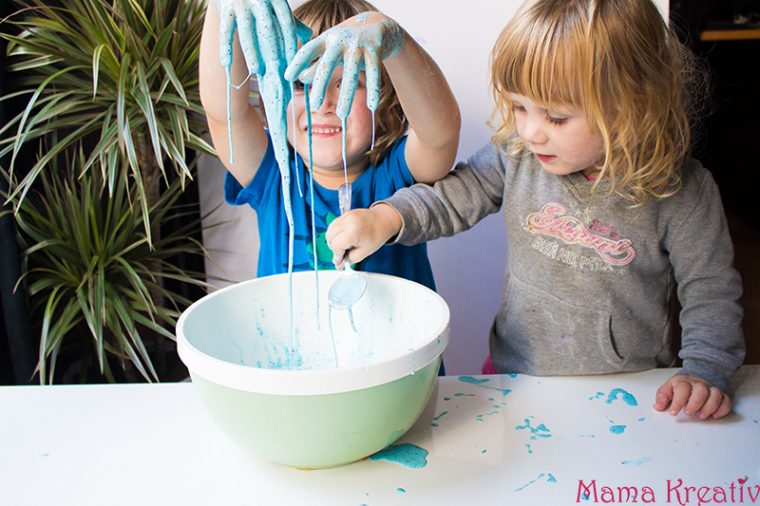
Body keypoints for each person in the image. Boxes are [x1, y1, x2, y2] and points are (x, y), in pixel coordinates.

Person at [325, 0, 746, 419]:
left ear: (630, 107)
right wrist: (386, 217)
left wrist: (705, 371)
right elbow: (453, 196)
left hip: (630, 392)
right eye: (519, 107)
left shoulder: (684, 192)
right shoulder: (516, 155)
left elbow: (711, 292)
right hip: (515, 377)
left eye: (557, 118)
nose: (530, 131)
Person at [199, 0, 460, 292]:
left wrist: (396, 44)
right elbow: (224, 116)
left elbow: (440, 135)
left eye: (346, 82)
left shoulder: (398, 176)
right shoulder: (274, 176)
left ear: (385, 99)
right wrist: (220, 9)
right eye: (301, 84)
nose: (321, 104)